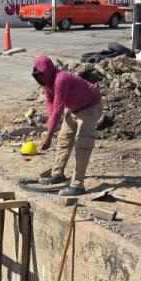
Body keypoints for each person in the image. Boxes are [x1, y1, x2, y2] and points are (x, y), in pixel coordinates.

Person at [31, 54, 104, 197]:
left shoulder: (61, 79)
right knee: (64, 139)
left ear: (48, 71)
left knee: (82, 144)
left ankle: (78, 185)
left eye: (42, 76)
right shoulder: (47, 83)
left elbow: (58, 110)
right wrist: (50, 124)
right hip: (75, 109)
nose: (41, 80)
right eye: (38, 77)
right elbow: (50, 104)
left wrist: (49, 136)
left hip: (90, 107)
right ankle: (57, 174)